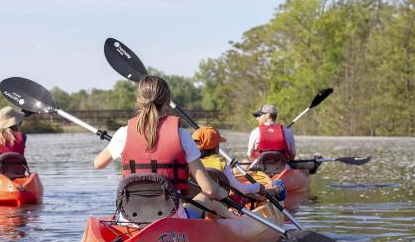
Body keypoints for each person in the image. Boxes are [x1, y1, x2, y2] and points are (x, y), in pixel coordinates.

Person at [93, 75, 231, 219]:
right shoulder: (182, 135)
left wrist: (120, 147)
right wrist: (220, 192)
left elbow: (98, 164)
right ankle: (240, 223)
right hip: (171, 220)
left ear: (139, 101)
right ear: (167, 102)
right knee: (209, 199)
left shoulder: (123, 133)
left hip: (130, 220)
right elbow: (209, 189)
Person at [192, 126, 286, 201]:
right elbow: (240, 189)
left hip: (196, 202)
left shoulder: (190, 162)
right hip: (219, 204)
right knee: (241, 192)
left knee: (235, 191)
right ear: (216, 147)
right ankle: (277, 189)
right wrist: (258, 187)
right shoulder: (220, 162)